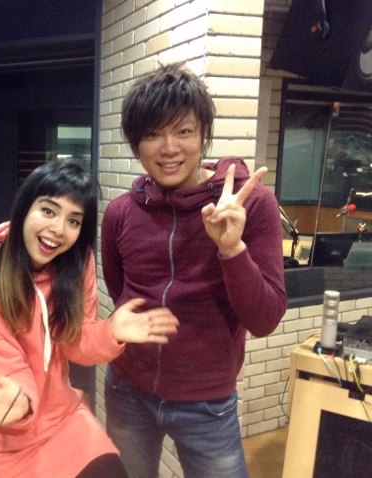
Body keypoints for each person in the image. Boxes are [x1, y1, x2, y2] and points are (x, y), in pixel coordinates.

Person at [101, 63, 287, 478]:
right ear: (135, 144)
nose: (169, 148)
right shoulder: (120, 213)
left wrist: (231, 249)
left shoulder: (251, 206)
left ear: (203, 135)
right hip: (127, 388)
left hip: (207, 402)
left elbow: (265, 320)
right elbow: (120, 291)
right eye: (153, 134)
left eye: (183, 131)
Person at [0, 160, 179, 478]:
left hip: (62, 420)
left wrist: (111, 332)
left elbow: (76, 342)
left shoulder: (77, 263)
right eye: (48, 211)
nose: (58, 229)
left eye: (73, 220)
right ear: (24, 209)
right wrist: (17, 401)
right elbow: (12, 370)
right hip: (5, 432)